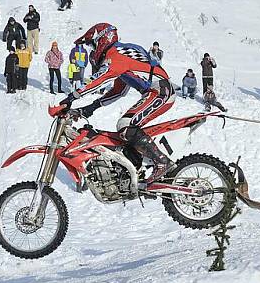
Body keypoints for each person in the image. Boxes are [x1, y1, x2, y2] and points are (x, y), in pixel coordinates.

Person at [59, 23, 176, 185]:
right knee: (125, 128)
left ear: (102, 39)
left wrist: (71, 97)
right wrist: (90, 108)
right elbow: (118, 91)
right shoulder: (122, 55)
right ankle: (137, 165)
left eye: (92, 45)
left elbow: (100, 79)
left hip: (161, 90)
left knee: (125, 124)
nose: (92, 51)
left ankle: (162, 161)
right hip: (157, 90)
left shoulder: (115, 54)